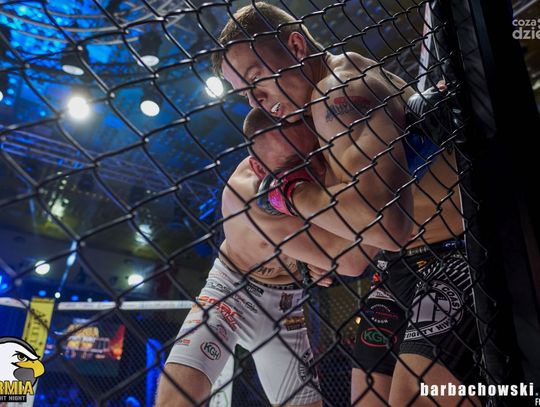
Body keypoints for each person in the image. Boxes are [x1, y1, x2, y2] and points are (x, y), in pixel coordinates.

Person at [213, 3, 480, 406]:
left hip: (457, 250)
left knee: (413, 397)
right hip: (397, 267)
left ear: (297, 46)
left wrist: (290, 194)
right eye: (244, 94)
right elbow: (353, 249)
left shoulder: (339, 92)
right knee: (369, 398)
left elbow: (387, 226)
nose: (256, 101)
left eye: (256, 80)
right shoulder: (312, 112)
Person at [155, 110, 379, 407]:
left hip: (288, 307)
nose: (312, 171)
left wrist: (322, 255)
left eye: (314, 153)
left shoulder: (327, 162)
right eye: (293, 165)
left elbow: (343, 250)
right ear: (260, 169)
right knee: (177, 400)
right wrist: (368, 224)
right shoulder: (246, 194)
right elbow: (351, 259)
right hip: (231, 293)